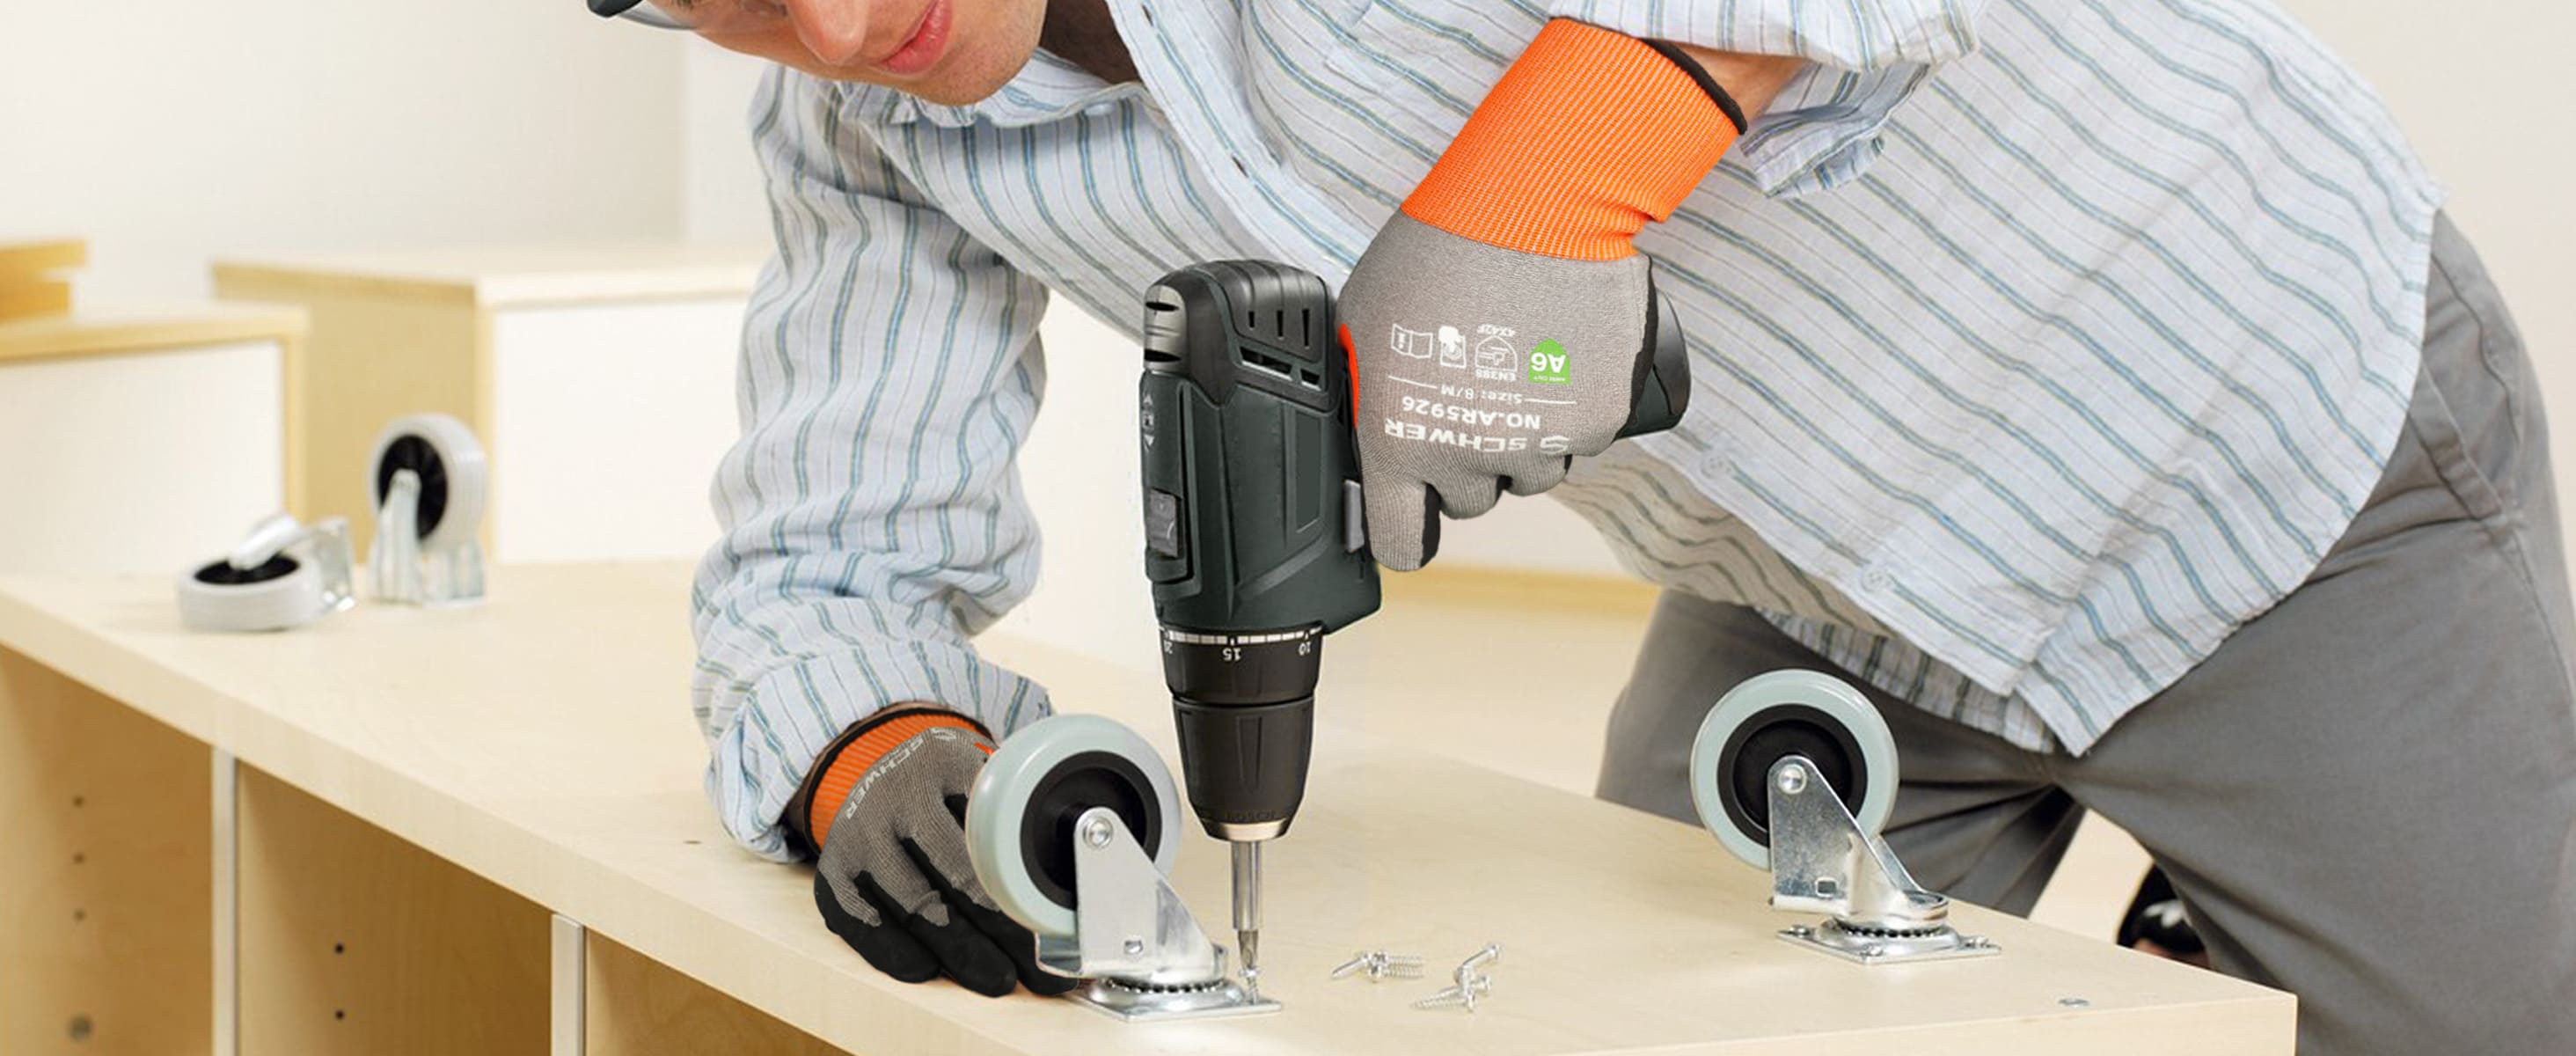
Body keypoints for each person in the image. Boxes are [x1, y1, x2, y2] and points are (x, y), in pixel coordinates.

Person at [591, 1, 2574, 1050]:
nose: (847, 28)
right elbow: (827, 563)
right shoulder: (862, 128)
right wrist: (868, 745)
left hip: (2236, 428)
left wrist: (1543, 195)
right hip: (1815, 607)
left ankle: (2241, 939)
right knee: (1611, 1029)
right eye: (736, 1)